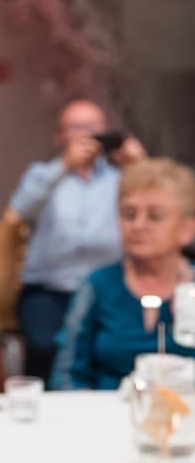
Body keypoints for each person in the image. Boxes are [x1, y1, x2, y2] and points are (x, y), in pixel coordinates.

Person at [3, 98, 147, 383]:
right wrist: (63, 166)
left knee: (114, 348)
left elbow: (160, 204)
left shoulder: (121, 178)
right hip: (49, 289)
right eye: (76, 127)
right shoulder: (43, 174)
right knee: (44, 348)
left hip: (106, 290)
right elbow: (16, 212)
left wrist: (140, 166)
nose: (86, 135)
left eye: (93, 127)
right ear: (59, 135)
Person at [53, 158, 195, 390]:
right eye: (129, 214)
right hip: (104, 408)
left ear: (186, 229)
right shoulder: (98, 284)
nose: (138, 225)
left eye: (155, 216)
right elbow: (65, 375)